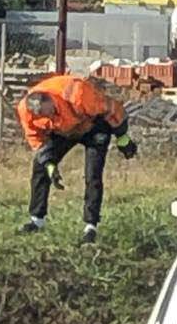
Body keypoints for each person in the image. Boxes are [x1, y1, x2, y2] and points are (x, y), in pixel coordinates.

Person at [15, 71, 138, 241]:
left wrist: (122, 136)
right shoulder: (26, 110)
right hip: (62, 131)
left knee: (93, 174)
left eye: (49, 112)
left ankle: (90, 226)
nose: (48, 117)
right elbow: (35, 138)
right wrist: (49, 163)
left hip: (93, 127)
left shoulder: (78, 94)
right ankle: (37, 220)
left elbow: (112, 109)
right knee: (40, 169)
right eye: (43, 117)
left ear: (50, 100)